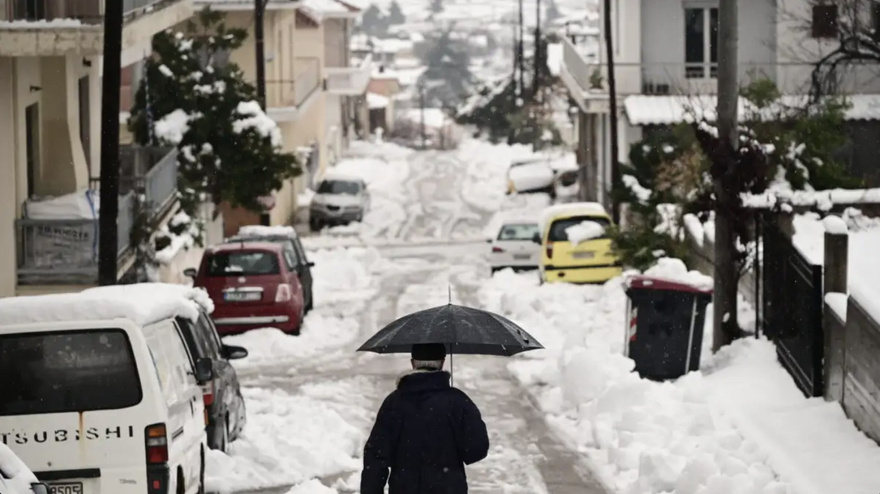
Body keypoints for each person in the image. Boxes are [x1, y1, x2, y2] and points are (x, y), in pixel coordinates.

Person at [360, 343, 490, 494]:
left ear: (413, 363)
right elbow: (476, 450)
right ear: (442, 362)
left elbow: (376, 456)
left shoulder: (394, 403)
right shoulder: (458, 402)